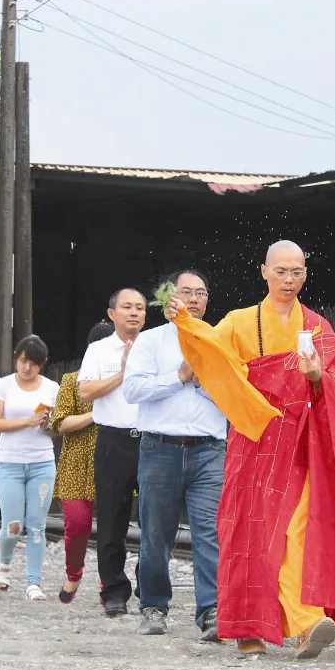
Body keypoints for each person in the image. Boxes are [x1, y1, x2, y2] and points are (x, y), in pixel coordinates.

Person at [163, 241, 335, 659]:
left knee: (297, 529)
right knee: (253, 532)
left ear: (305, 275)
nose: (288, 280)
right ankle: (248, 628)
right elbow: (209, 351)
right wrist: (184, 323)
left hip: (302, 444)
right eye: (281, 271)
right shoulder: (240, 321)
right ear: (264, 272)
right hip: (257, 440)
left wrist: (318, 378)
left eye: (297, 272)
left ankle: (305, 623)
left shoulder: (316, 326)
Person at [124, 270, 226, 640]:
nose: (195, 299)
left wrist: (206, 382)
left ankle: (212, 611)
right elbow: (132, 391)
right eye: (187, 292)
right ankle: (153, 606)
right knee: (155, 534)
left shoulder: (222, 341)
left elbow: (238, 395)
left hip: (210, 451)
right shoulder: (151, 342)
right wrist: (180, 376)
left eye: (201, 293)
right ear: (172, 299)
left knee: (210, 533)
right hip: (160, 449)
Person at [77, 288, 146, 616]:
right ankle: (114, 590)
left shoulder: (155, 346)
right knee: (111, 517)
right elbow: (86, 391)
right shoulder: (98, 349)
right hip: (113, 441)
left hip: (153, 441)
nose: (134, 313)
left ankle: (150, 587)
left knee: (155, 518)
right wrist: (123, 373)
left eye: (140, 308)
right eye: (127, 307)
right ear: (112, 314)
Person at [0, 335, 60, 602]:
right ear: (16, 358)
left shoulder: (52, 388)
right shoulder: (2, 386)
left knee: (38, 525)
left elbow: (57, 428)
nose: (27, 368)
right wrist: (28, 421)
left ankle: (33, 582)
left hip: (42, 461)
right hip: (10, 462)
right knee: (13, 525)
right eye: (23, 361)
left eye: (34, 363)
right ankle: (4, 563)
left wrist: (46, 425)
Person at [49, 322, 114, 604]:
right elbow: (59, 423)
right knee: (76, 525)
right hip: (76, 463)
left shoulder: (123, 380)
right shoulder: (71, 381)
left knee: (114, 528)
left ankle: (108, 582)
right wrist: (93, 416)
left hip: (113, 460)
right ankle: (73, 574)